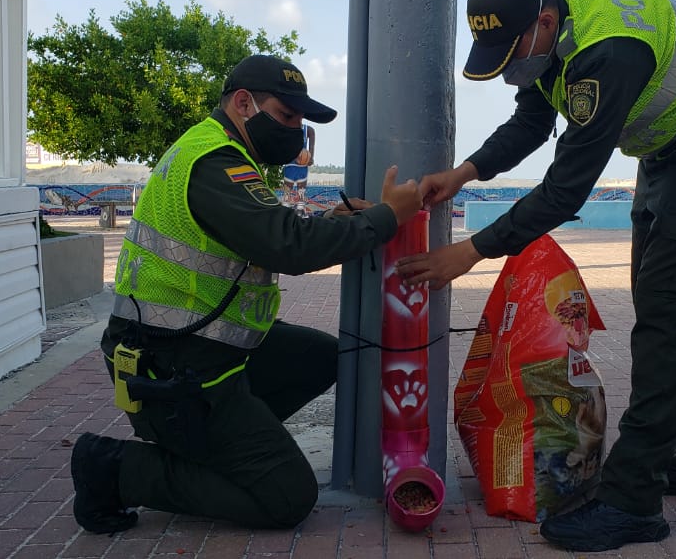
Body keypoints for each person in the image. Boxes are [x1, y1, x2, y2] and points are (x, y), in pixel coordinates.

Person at [396, 0, 676, 552]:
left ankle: (632, 502)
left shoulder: (606, 53)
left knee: (670, 314)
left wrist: (469, 253)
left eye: (511, 54)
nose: (509, 72)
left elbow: (564, 190)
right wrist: (466, 173)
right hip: (673, 144)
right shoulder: (552, 28)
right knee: (672, 307)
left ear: (544, 23)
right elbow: (531, 119)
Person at [70, 54, 422, 534]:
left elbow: (260, 234)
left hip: (209, 350)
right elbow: (288, 248)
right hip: (174, 364)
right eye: (286, 116)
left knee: (323, 357)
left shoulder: (225, 153)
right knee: (287, 497)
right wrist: (387, 217)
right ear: (243, 103)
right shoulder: (214, 162)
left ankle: (220, 444)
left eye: (301, 121)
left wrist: (330, 222)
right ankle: (112, 467)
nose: (296, 130)